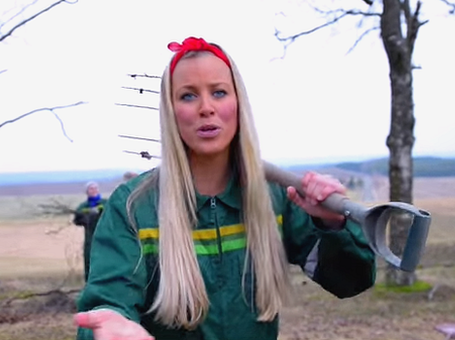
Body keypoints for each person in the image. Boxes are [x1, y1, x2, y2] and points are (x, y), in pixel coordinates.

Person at [74, 37, 376, 340]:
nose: (206, 108)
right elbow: (107, 303)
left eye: (219, 92)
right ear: (170, 111)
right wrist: (109, 326)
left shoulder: (276, 197)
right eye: (188, 96)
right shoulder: (134, 207)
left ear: (238, 102)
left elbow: (350, 281)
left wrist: (332, 224)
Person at [73, 181, 106, 282]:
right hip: (90, 238)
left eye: (95, 188)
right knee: (89, 260)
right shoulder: (83, 206)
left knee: (104, 260)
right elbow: (76, 220)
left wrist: (99, 211)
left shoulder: (105, 203)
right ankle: (89, 284)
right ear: (87, 192)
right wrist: (87, 216)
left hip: (104, 237)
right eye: (91, 189)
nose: (94, 191)